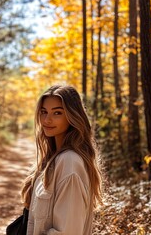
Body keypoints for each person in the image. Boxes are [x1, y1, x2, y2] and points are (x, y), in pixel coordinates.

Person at [21, 84, 103, 235]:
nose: (47, 119)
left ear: (72, 116)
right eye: (43, 112)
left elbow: (68, 231)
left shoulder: (69, 162)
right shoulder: (53, 158)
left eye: (57, 113)